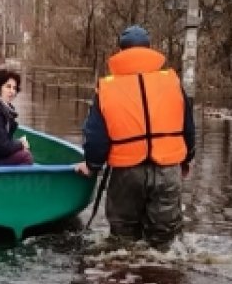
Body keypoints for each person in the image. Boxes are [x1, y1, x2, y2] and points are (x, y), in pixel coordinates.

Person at [74, 25, 195, 243]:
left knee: (123, 238)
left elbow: (96, 137)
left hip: (127, 173)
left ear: (120, 51)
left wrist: (92, 165)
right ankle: (164, 273)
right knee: (166, 238)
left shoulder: (107, 88)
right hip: (167, 170)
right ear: (150, 49)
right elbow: (188, 126)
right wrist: (187, 159)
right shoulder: (172, 82)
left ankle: (127, 272)